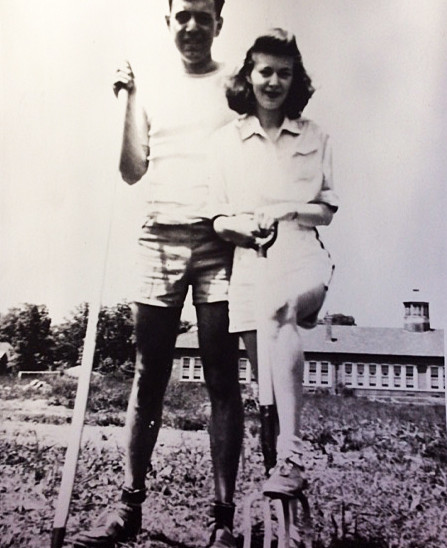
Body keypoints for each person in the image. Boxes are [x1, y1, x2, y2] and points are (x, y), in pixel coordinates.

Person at [72, 2, 244, 547]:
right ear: (167, 22)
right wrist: (125, 100)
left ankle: (222, 521)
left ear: (219, 20)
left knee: (222, 379)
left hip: (221, 242)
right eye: (181, 16)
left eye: (202, 14)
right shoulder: (148, 84)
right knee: (149, 377)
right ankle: (129, 507)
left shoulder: (236, 86)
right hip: (158, 239)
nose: (192, 26)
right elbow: (130, 171)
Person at [209, 28, 338, 498]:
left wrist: (286, 211)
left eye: (285, 73)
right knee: (268, 387)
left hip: (303, 255)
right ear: (249, 76)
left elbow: (326, 207)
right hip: (249, 263)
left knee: (284, 309)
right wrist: (242, 228)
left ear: (295, 80)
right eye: (265, 71)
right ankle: (278, 491)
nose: (273, 81)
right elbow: (219, 218)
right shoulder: (225, 141)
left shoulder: (316, 136)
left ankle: (292, 454)